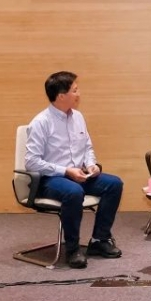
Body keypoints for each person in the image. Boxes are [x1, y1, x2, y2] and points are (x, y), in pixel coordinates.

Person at [25, 71, 124, 268]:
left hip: (80, 174)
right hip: (51, 179)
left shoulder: (78, 117)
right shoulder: (41, 122)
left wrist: (91, 164)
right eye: (75, 90)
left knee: (114, 184)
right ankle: (72, 249)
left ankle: (99, 240)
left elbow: (87, 147)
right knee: (74, 192)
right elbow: (31, 162)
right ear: (61, 96)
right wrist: (66, 171)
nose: (79, 94)